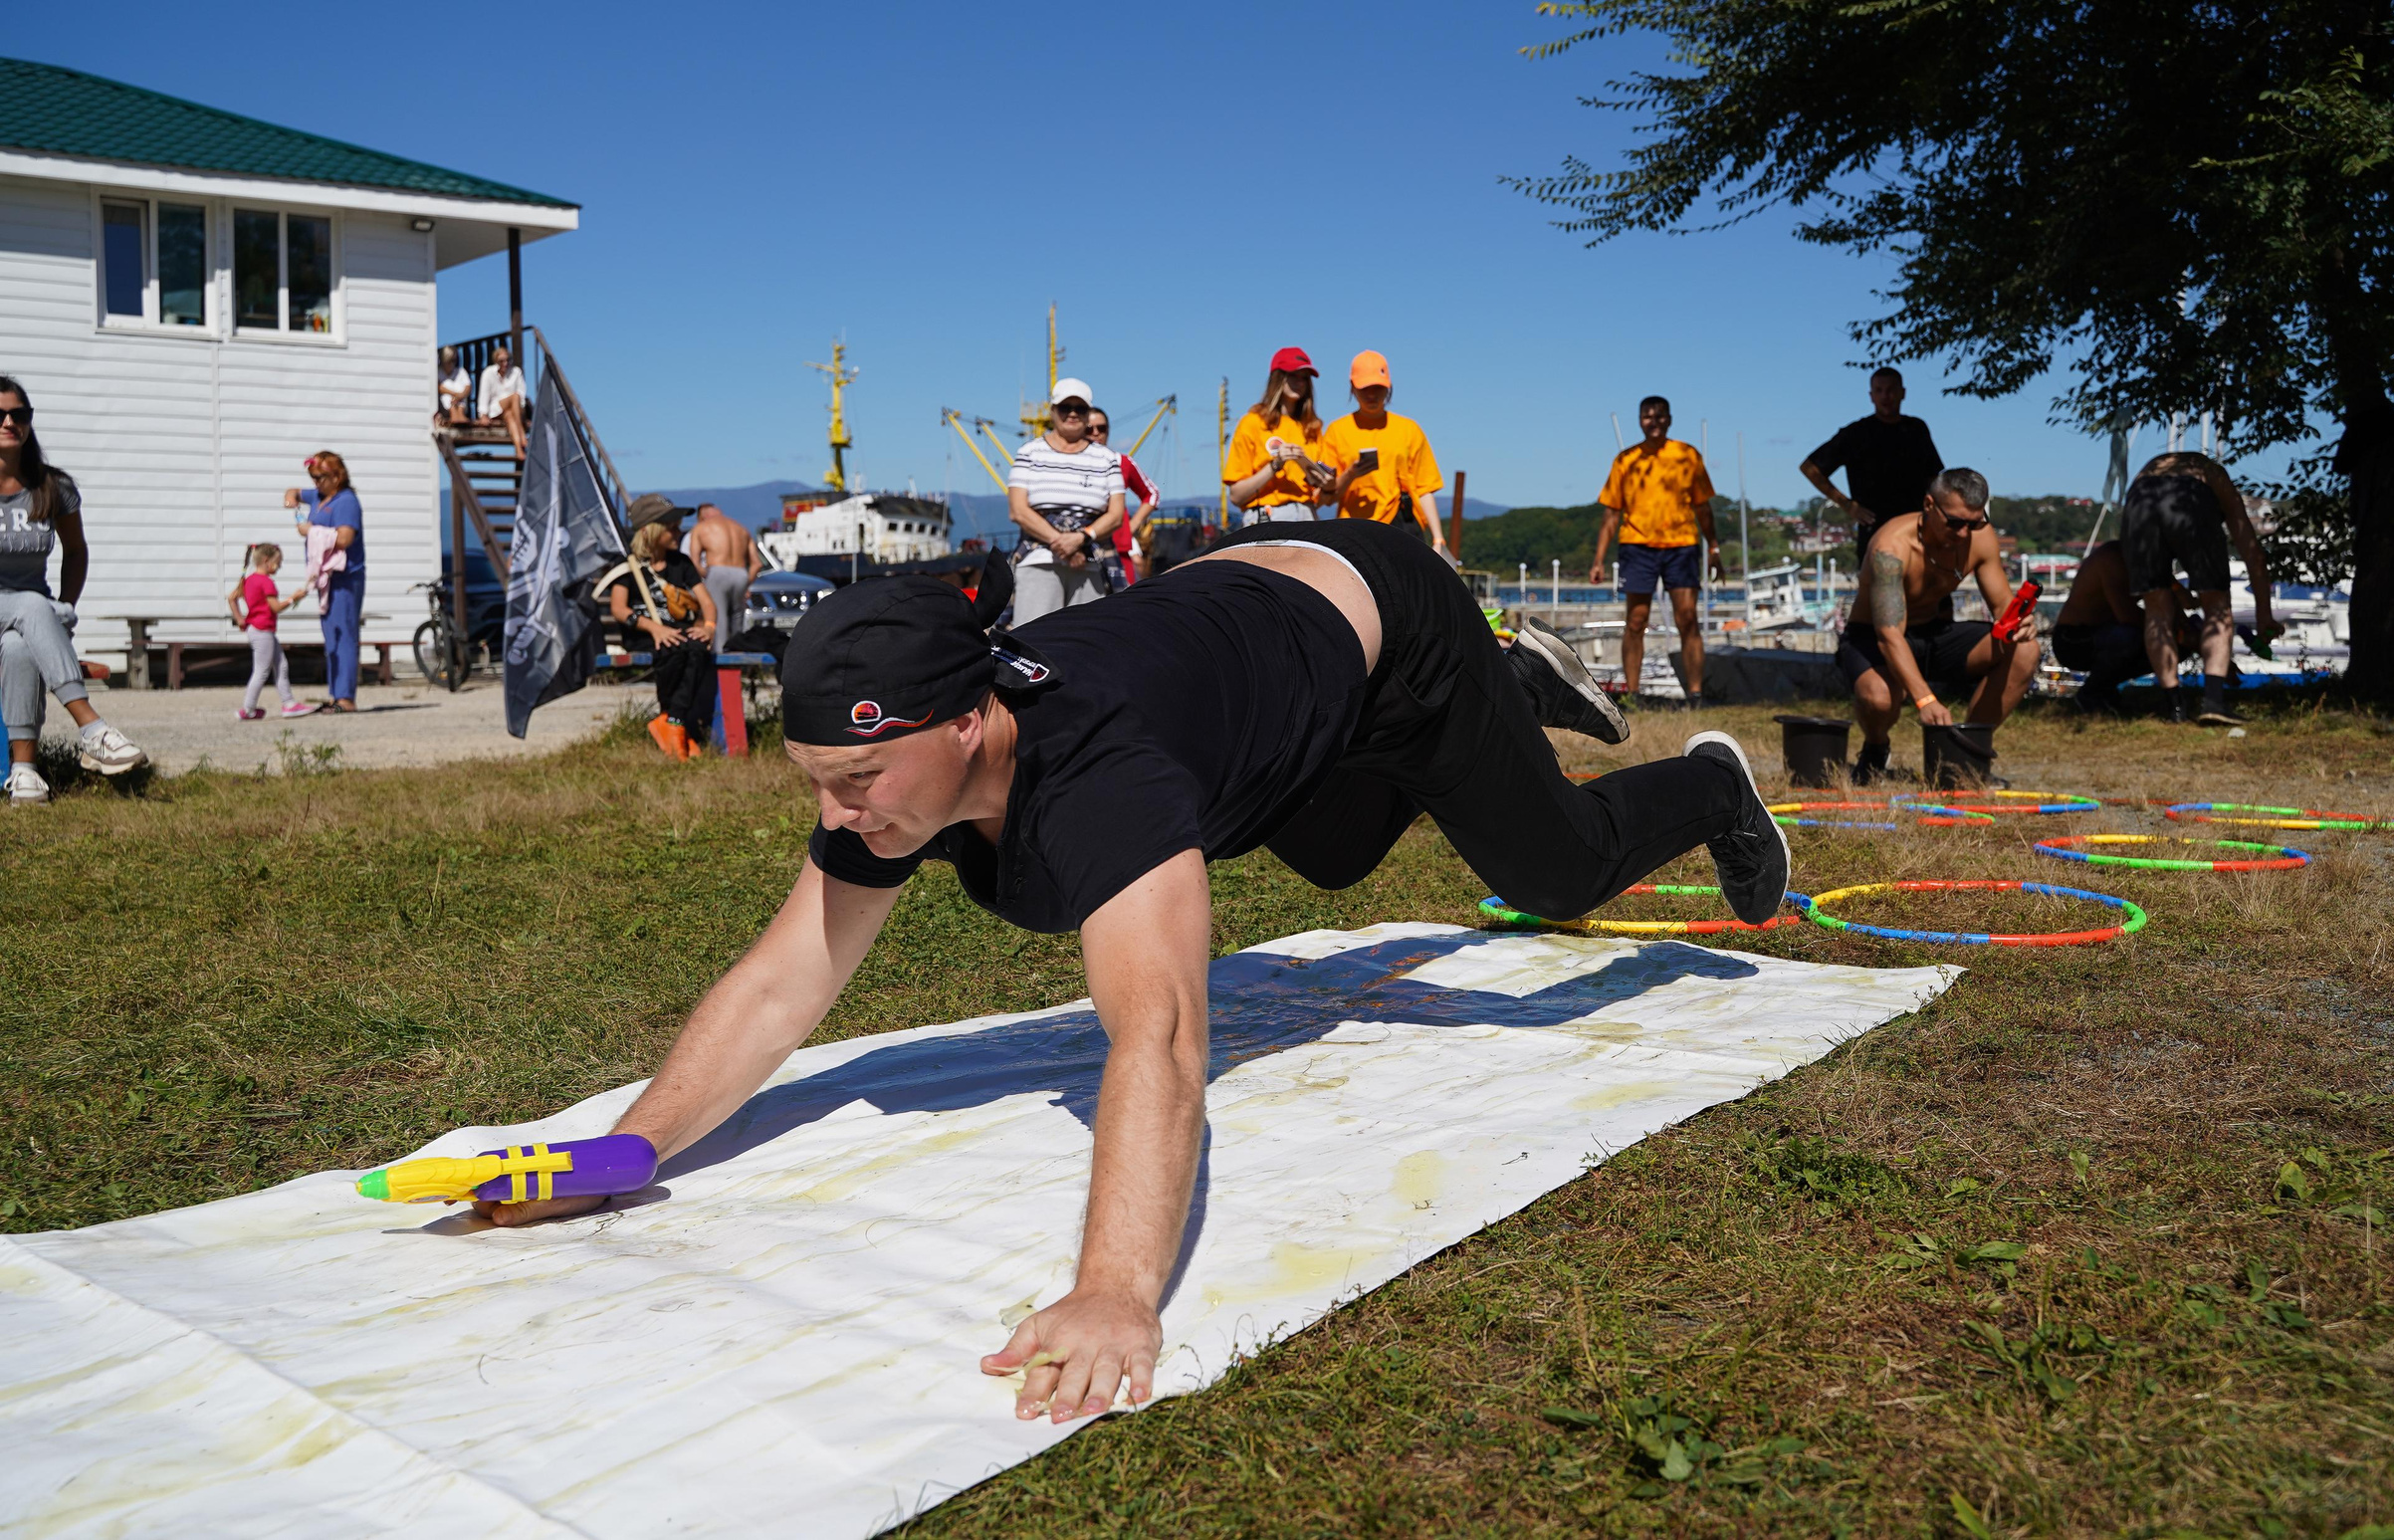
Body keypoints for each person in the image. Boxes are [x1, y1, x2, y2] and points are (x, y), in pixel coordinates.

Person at [472, 518, 1786, 1430]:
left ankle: (1696, 781)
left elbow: (1157, 1033)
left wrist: (1114, 1288)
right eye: (819, 785)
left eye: (859, 779)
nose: (841, 816)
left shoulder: (1104, 774)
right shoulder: (907, 775)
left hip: (1390, 623)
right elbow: (781, 980)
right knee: (1333, 853)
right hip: (1257, 626)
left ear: (972, 720)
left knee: (1552, 873)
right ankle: (1500, 703)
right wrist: (626, 1148)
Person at [1834, 468, 2042, 782]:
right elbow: (1889, 635)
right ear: (1929, 505)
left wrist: (2020, 624)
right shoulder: (1891, 549)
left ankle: (1966, 757)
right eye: (1955, 523)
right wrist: (1925, 699)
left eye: (1974, 523)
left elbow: (2002, 608)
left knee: (2025, 650)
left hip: (1934, 632)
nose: (1964, 533)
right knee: (1879, 697)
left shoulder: (1980, 538)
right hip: (1875, 636)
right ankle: (1876, 748)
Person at [0, 376, 148, 803]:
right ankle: (92, 728)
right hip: (27, 605)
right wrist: (47, 609)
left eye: (18, 414)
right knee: (33, 605)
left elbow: (76, 551)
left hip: (25, 616)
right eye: (0, 415)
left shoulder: (52, 487)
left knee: (18, 648)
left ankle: (24, 773)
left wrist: (65, 604)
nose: (9, 422)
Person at [2120, 449, 2276, 725]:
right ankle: (2214, 702)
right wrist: (2264, 616)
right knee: (2217, 607)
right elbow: (2253, 555)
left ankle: (2175, 708)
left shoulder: (2155, 468)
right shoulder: (2215, 477)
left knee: (2156, 610)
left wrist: (2177, 591)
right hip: (2189, 497)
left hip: (2139, 500)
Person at [1589, 395, 1720, 706]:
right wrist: (1598, 559)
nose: (1654, 422)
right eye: (1647, 416)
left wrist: (1713, 547)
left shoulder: (1687, 455)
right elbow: (1611, 514)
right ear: (1639, 421)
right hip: (1637, 546)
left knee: (1687, 619)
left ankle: (1696, 695)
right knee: (1636, 621)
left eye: (1660, 416)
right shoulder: (1626, 460)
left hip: (1682, 545)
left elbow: (1703, 507)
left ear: (1670, 419)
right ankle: (1632, 696)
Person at [598, 496, 716, 760]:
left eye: (678, 527)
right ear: (649, 531)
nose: (678, 533)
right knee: (673, 649)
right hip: (644, 635)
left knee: (697, 647)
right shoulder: (627, 565)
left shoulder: (681, 562)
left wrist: (708, 627)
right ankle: (674, 724)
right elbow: (619, 609)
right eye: (671, 528)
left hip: (678, 632)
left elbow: (707, 603)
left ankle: (672, 720)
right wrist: (653, 628)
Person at [1007, 380, 1125, 622]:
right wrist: (1062, 543)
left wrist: (1081, 538)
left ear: (1088, 414)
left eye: (1079, 408)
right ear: (1053, 411)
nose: (1072, 413)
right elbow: (1018, 510)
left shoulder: (1107, 459)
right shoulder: (1029, 453)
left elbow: (1116, 514)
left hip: (1090, 561)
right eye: (1065, 407)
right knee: (1033, 636)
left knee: (1088, 635)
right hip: (1039, 559)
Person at [1801, 367, 1946, 561]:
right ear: (1871, 396)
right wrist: (1847, 505)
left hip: (1917, 530)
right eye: (1879, 390)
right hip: (1875, 533)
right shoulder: (1856, 434)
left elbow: (1934, 477)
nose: (1885, 396)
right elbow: (1810, 468)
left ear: (1903, 393)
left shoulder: (1916, 429)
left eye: (1891, 390)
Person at [1314, 351, 1447, 552]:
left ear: (1388, 387)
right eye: (1364, 389)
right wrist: (1351, 474)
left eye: (1378, 388)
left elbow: (1425, 489)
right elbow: (1327, 497)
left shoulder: (1408, 429)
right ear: (1352, 387)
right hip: (1354, 527)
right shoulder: (1337, 431)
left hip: (1403, 524)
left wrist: (1438, 539)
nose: (1371, 395)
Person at [2048, 541, 2189, 716]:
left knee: (2178, 644)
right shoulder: (2111, 558)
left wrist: (2185, 628)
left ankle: (2104, 687)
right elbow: (2127, 616)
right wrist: (2171, 629)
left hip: (2106, 633)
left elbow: (2175, 606)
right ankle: (2092, 692)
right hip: (2073, 640)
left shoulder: (2149, 563)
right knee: (2130, 637)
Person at [284, 451, 366, 714]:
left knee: (344, 635)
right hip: (326, 580)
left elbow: (344, 539)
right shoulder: (320, 496)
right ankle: (336, 693)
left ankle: (346, 698)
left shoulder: (346, 501)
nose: (316, 482)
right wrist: (291, 500)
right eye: (313, 477)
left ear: (336, 477)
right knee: (332, 636)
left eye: (320, 477)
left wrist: (311, 531)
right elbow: (294, 492)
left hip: (345, 578)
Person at [1221, 347, 1328, 526]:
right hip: (1267, 515)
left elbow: (1324, 495)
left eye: (1304, 378)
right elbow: (1236, 496)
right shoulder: (1253, 422)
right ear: (1278, 378)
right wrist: (1275, 464)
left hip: (1307, 514)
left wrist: (1324, 482)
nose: (1299, 383)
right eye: (1293, 375)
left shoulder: (1312, 427)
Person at [226, 543, 312, 721]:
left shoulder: (248, 580)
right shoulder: (266, 582)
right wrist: (293, 598)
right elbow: (276, 607)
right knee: (261, 671)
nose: (279, 566)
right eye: (277, 562)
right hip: (262, 630)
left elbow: (232, 598)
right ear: (266, 561)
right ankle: (248, 709)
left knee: (281, 665)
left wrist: (240, 619)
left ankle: (289, 704)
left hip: (257, 630)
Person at [1084, 407, 1157, 586]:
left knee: (1121, 599)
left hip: (1118, 547)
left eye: (1101, 428)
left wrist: (1131, 526)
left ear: (1108, 430)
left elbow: (1151, 494)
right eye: (1089, 429)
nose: (1096, 433)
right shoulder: (1069, 464)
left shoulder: (1122, 463)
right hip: (1081, 547)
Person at [685, 503, 764, 652]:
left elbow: (694, 561)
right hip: (741, 573)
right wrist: (746, 583)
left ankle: (720, 655)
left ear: (703, 516)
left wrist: (707, 576)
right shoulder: (741, 528)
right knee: (737, 617)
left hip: (717, 572)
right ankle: (738, 652)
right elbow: (757, 564)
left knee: (718, 617)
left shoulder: (702, 527)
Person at [478, 341, 529, 460]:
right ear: (496, 361)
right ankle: (521, 433)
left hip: (514, 411)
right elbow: (484, 394)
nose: (505, 364)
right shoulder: (488, 373)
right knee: (514, 397)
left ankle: (518, 449)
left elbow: (522, 393)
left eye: (508, 360)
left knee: (510, 415)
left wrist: (519, 409)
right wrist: (483, 414)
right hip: (496, 409)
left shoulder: (516, 372)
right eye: (501, 361)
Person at [433, 346, 473, 429]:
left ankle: (460, 415)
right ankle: (453, 414)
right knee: (448, 385)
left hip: (460, 402)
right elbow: (438, 387)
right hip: (445, 406)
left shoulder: (461, 371)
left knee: (459, 387)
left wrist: (459, 396)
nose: (451, 363)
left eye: (453, 360)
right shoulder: (437, 371)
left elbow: (468, 387)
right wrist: (455, 394)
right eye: (449, 360)